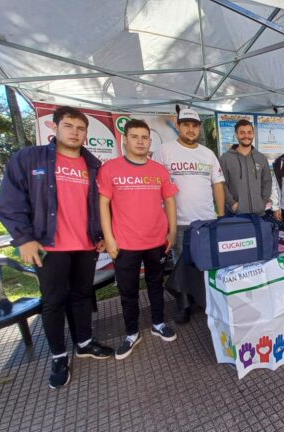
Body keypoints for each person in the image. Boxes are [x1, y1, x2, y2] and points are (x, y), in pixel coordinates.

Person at [0, 106, 114, 389]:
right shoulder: (29, 159)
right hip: (50, 247)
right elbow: (8, 204)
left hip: (84, 245)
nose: (75, 132)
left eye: (80, 128)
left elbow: (101, 204)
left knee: (82, 295)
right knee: (53, 302)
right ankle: (59, 355)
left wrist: (101, 234)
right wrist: (23, 239)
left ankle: (83, 342)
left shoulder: (94, 165)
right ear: (54, 127)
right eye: (69, 126)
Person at [99, 119, 179, 360]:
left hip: (156, 240)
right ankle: (131, 333)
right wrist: (109, 239)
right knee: (128, 291)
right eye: (135, 136)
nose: (140, 141)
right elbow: (103, 204)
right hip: (125, 244)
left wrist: (172, 231)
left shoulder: (159, 170)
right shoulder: (110, 169)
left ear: (150, 141)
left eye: (144, 137)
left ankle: (158, 323)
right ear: (125, 140)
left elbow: (170, 201)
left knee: (156, 285)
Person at [152, 108, 225, 323]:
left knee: (207, 264)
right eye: (186, 124)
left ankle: (206, 302)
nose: (191, 129)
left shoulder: (207, 153)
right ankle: (183, 305)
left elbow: (218, 185)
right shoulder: (164, 151)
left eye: (194, 125)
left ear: (199, 128)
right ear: (179, 126)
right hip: (179, 222)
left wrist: (220, 216)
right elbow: (156, 187)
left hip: (206, 222)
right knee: (180, 265)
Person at [219, 119, 272, 215]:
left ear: (253, 134)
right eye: (242, 133)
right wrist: (232, 204)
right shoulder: (225, 158)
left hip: (259, 214)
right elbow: (222, 184)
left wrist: (262, 203)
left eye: (249, 132)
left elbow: (267, 182)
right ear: (236, 135)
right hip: (236, 214)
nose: (246, 136)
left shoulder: (261, 158)